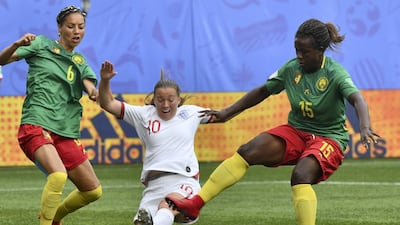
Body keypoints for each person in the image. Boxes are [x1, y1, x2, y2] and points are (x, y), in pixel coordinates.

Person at [165, 18, 380, 225]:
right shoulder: (291, 68)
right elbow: (262, 91)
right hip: (296, 131)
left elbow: (357, 99)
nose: (299, 56)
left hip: (329, 138)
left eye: (304, 52)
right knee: (248, 151)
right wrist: (227, 113)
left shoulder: (335, 73)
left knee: (301, 175)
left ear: (320, 50)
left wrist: (364, 126)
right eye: (296, 50)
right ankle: (195, 204)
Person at [0, 5, 102, 225]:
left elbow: (92, 90)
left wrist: (102, 87)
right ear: (59, 28)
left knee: (93, 191)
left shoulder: (80, 62)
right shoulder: (40, 44)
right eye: (71, 26)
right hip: (36, 124)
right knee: (58, 176)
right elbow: (1, 60)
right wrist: (17, 44)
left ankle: (54, 217)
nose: (77, 31)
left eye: (81, 27)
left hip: (65, 131)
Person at [98, 61, 211, 225]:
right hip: (154, 186)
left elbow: (224, 115)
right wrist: (105, 80)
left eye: (171, 99)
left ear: (179, 100)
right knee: (141, 222)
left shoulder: (192, 113)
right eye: (160, 100)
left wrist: (252, 99)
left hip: (184, 180)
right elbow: (107, 103)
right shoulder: (144, 115)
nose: (165, 104)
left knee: (168, 205)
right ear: (154, 100)